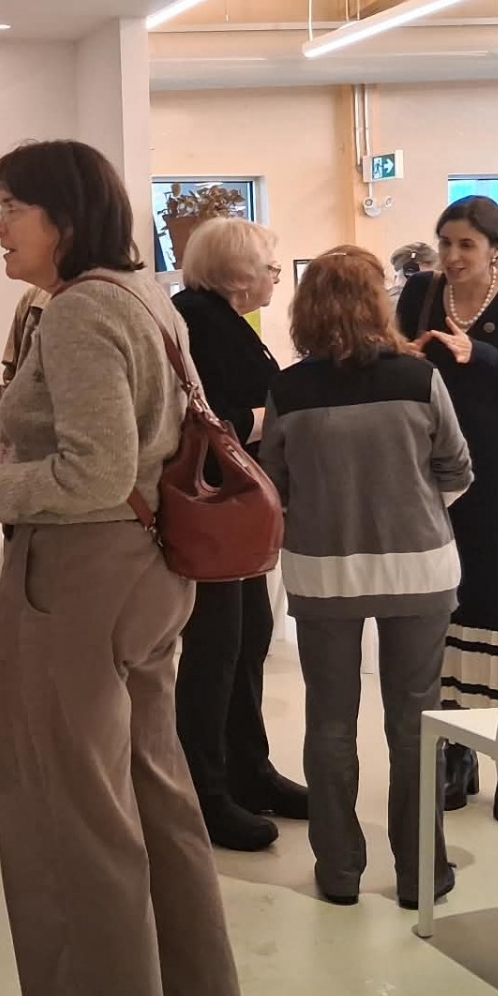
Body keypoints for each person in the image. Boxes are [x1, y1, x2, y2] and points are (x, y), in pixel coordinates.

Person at [0, 140, 243, 996]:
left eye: (9, 207)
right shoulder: (142, 296)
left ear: (64, 216)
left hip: (82, 574)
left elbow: (93, 472)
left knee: (69, 817)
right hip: (144, 568)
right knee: (153, 791)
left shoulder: (79, 310)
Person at [262, 246, 473, 909]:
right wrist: (412, 509)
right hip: (419, 566)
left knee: (329, 720)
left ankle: (339, 871)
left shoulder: (289, 391)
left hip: (323, 572)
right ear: (379, 303)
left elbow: (274, 484)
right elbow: (457, 468)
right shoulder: (419, 378)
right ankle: (421, 874)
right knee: (414, 722)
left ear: (306, 308)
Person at [396, 195, 498, 820]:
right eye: (446, 243)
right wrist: (398, 358)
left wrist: (476, 353)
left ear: (495, 250)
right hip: (434, 475)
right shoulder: (420, 292)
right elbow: (397, 370)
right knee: (447, 612)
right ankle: (457, 755)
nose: (453, 257)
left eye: (466, 245)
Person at [169, 216, 309, 851]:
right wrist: (269, 417)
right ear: (236, 273)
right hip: (214, 513)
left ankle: (249, 771)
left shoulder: (224, 320)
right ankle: (206, 791)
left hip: (234, 514)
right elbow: (206, 420)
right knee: (215, 651)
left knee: (247, 638)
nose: (276, 276)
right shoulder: (199, 321)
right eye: (269, 266)